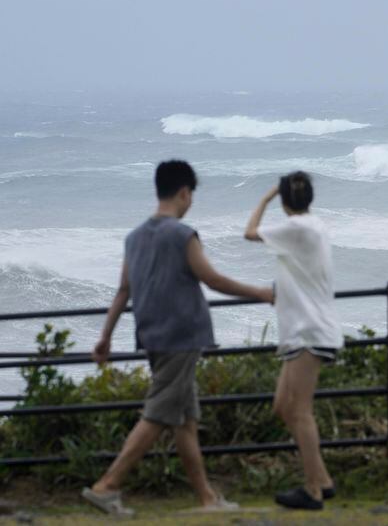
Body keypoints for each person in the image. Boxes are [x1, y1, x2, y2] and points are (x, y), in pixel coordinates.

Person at [81, 160, 274, 516]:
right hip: (181, 335)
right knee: (157, 414)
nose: (191, 203)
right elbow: (211, 279)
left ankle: (207, 498)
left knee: (185, 420)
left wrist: (105, 337)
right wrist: (261, 293)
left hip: (151, 334)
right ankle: (107, 486)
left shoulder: (134, 236)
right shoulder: (182, 234)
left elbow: (123, 291)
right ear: (184, 192)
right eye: (191, 196)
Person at [244, 171, 343, 511]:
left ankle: (313, 491)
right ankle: (324, 480)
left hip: (308, 330)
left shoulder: (296, 229)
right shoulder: (314, 226)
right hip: (305, 327)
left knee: (299, 411)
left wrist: (263, 199)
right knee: (284, 407)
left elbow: (249, 233)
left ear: (285, 200)